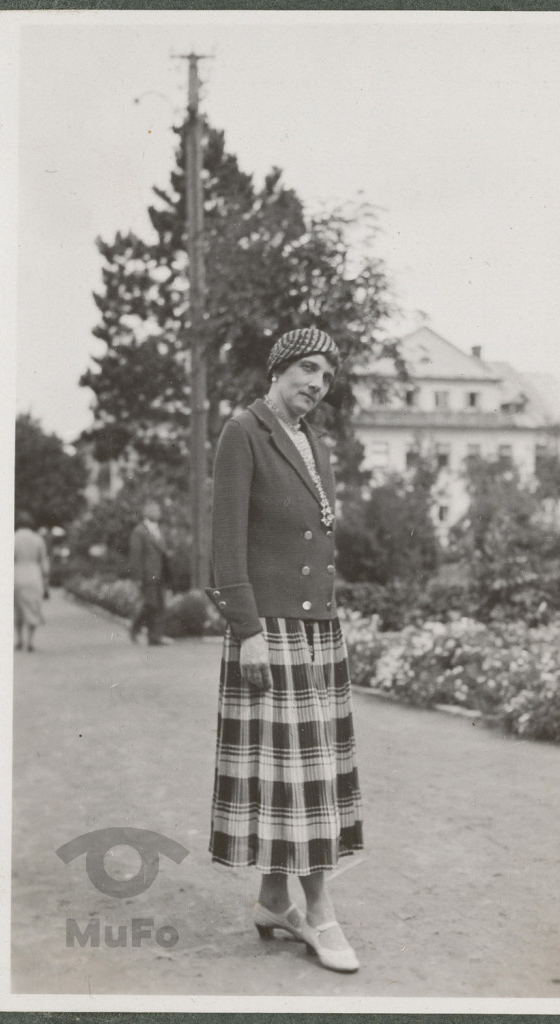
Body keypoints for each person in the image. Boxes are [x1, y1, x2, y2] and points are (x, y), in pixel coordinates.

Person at [208, 327, 364, 974]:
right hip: (269, 630)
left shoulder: (312, 441)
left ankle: (275, 899)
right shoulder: (243, 432)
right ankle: (320, 913)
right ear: (277, 368)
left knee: (297, 776)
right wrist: (247, 630)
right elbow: (226, 546)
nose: (315, 385)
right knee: (299, 781)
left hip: (316, 632)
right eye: (306, 369)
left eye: (325, 378)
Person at [129, 499, 172, 646]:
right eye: (155, 510)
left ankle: (154, 637)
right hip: (148, 575)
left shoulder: (158, 529)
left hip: (161, 574)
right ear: (147, 512)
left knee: (160, 606)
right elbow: (136, 556)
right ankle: (136, 627)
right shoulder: (139, 531)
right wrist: (138, 577)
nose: (158, 513)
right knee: (150, 605)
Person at [14, 510, 49, 652]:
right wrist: (46, 583)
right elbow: (44, 562)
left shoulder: (13, 538)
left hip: (17, 574)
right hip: (34, 575)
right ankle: (30, 641)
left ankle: (19, 639)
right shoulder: (38, 539)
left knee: (19, 610)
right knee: (33, 608)